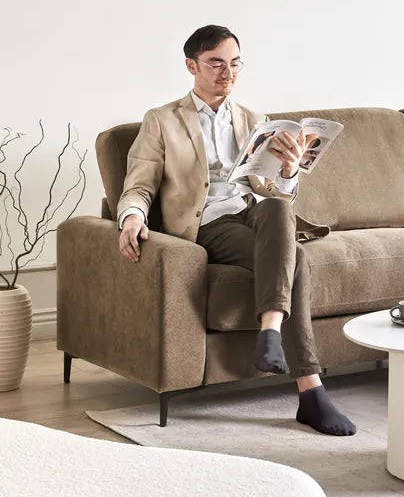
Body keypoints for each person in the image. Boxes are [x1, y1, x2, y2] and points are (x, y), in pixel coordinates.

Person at [116, 24, 355, 436]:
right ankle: (311, 392)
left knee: (277, 207)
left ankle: (270, 332)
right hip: (208, 222)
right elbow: (139, 185)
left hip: (254, 212)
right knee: (296, 260)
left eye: (235, 64)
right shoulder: (162, 120)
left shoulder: (254, 119)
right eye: (216, 64)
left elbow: (272, 192)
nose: (227, 73)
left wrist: (288, 172)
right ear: (191, 65)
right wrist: (132, 217)